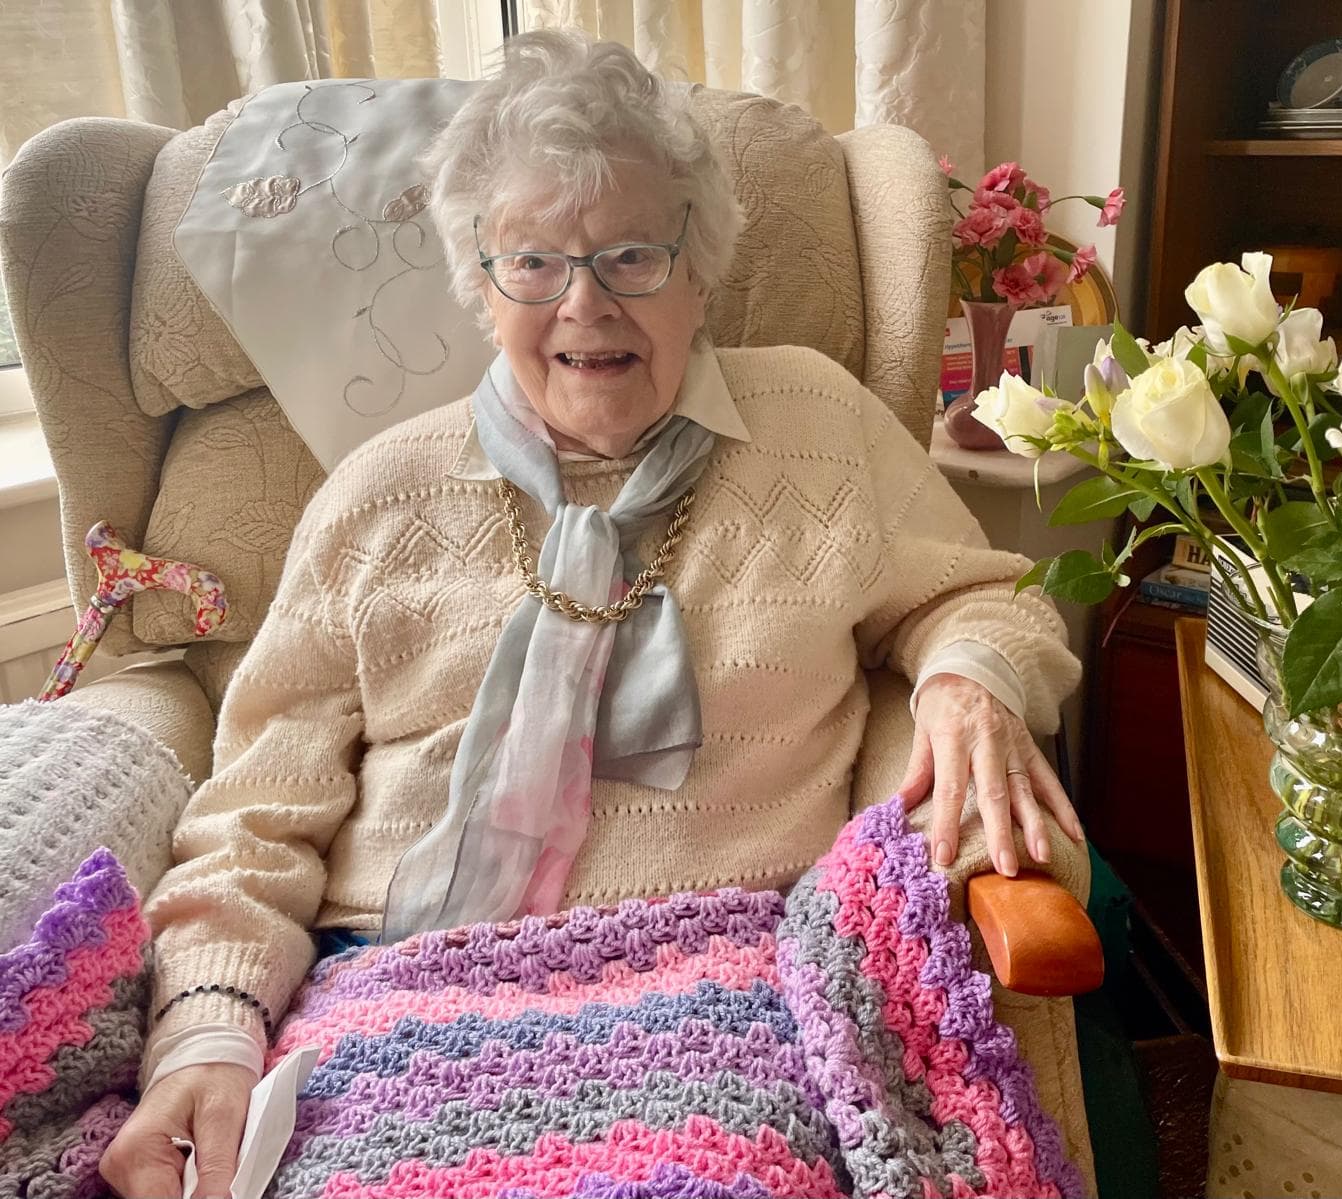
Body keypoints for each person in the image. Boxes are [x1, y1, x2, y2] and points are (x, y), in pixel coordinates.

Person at [99, 29, 1083, 1199]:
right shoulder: (376, 494)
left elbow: (977, 593)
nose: (584, 302)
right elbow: (257, 810)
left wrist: (967, 675)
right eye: (532, 261)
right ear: (480, 285)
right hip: (397, 990)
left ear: (699, 269)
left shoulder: (819, 427)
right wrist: (207, 1033)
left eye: (630, 255)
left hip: (728, 985)